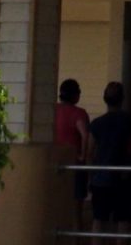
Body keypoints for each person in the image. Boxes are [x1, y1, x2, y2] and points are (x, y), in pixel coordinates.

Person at [88, 82, 131, 242]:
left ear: (104, 99)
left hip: (101, 179)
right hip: (126, 179)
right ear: (123, 99)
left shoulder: (97, 124)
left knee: (99, 220)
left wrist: (91, 176)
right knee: (123, 222)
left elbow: (89, 152)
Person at [56, 79, 93, 229]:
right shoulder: (79, 113)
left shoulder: (53, 110)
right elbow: (85, 135)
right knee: (76, 207)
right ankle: (76, 239)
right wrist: (83, 156)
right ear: (75, 95)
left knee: (57, 204)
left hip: (56, 161)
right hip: (74, 164)